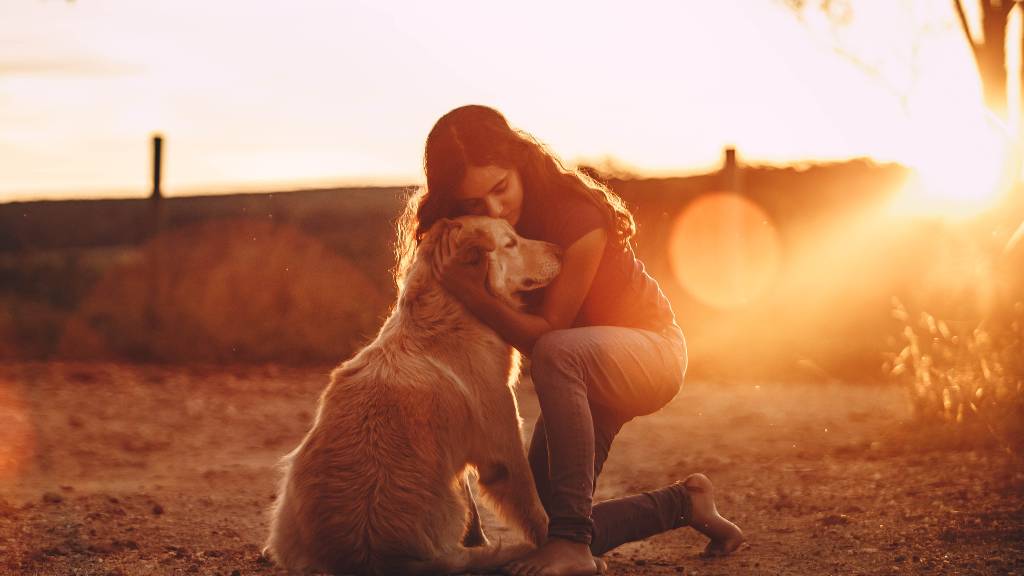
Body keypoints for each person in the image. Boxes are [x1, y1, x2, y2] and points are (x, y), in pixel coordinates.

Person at [395, 104, 745, 576]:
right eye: (475, 203)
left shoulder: (575, 216)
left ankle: (573, 546)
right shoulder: (473, 235)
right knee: (544, 518)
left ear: (520, 160)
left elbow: (549, 335)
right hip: (580, 370)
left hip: (650, 352)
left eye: (500, 188)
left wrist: (473, 298)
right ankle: (685, 505)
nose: (495, 210)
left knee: (558, 354)